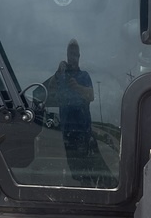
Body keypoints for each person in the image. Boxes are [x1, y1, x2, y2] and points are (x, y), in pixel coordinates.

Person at [47, 40, 112, 187]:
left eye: (76, 54)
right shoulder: (61, 75)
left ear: (79, 56)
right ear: (67, 55)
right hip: (65, 130)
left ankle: (88, 186)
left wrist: (77, 87)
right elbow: (50, 91)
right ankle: (82, 185)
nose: (73, 57)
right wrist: (58, 72)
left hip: (83, 129)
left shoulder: (84, 76)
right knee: (73, 167)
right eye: (71, 53)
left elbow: (91, 96)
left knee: (86, 164)